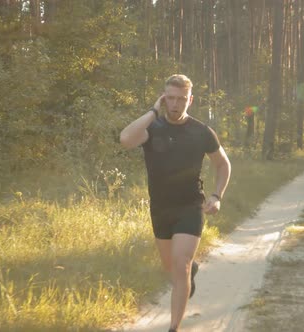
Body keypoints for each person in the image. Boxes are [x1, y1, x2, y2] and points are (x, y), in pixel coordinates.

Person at [119, 74, 231, 332]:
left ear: (190, 100)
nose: (175, 104)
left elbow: (223, 164)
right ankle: (190, 272)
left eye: (181, 99)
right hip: (160, 209)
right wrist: (152, 112)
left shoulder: (202, 132)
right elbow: (125, 139)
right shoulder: (152, 128)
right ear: (163, 98)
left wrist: (216, 196)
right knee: (172, 269)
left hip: (190, 206)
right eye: (170, 98)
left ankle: (174, 327)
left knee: (179, 266)